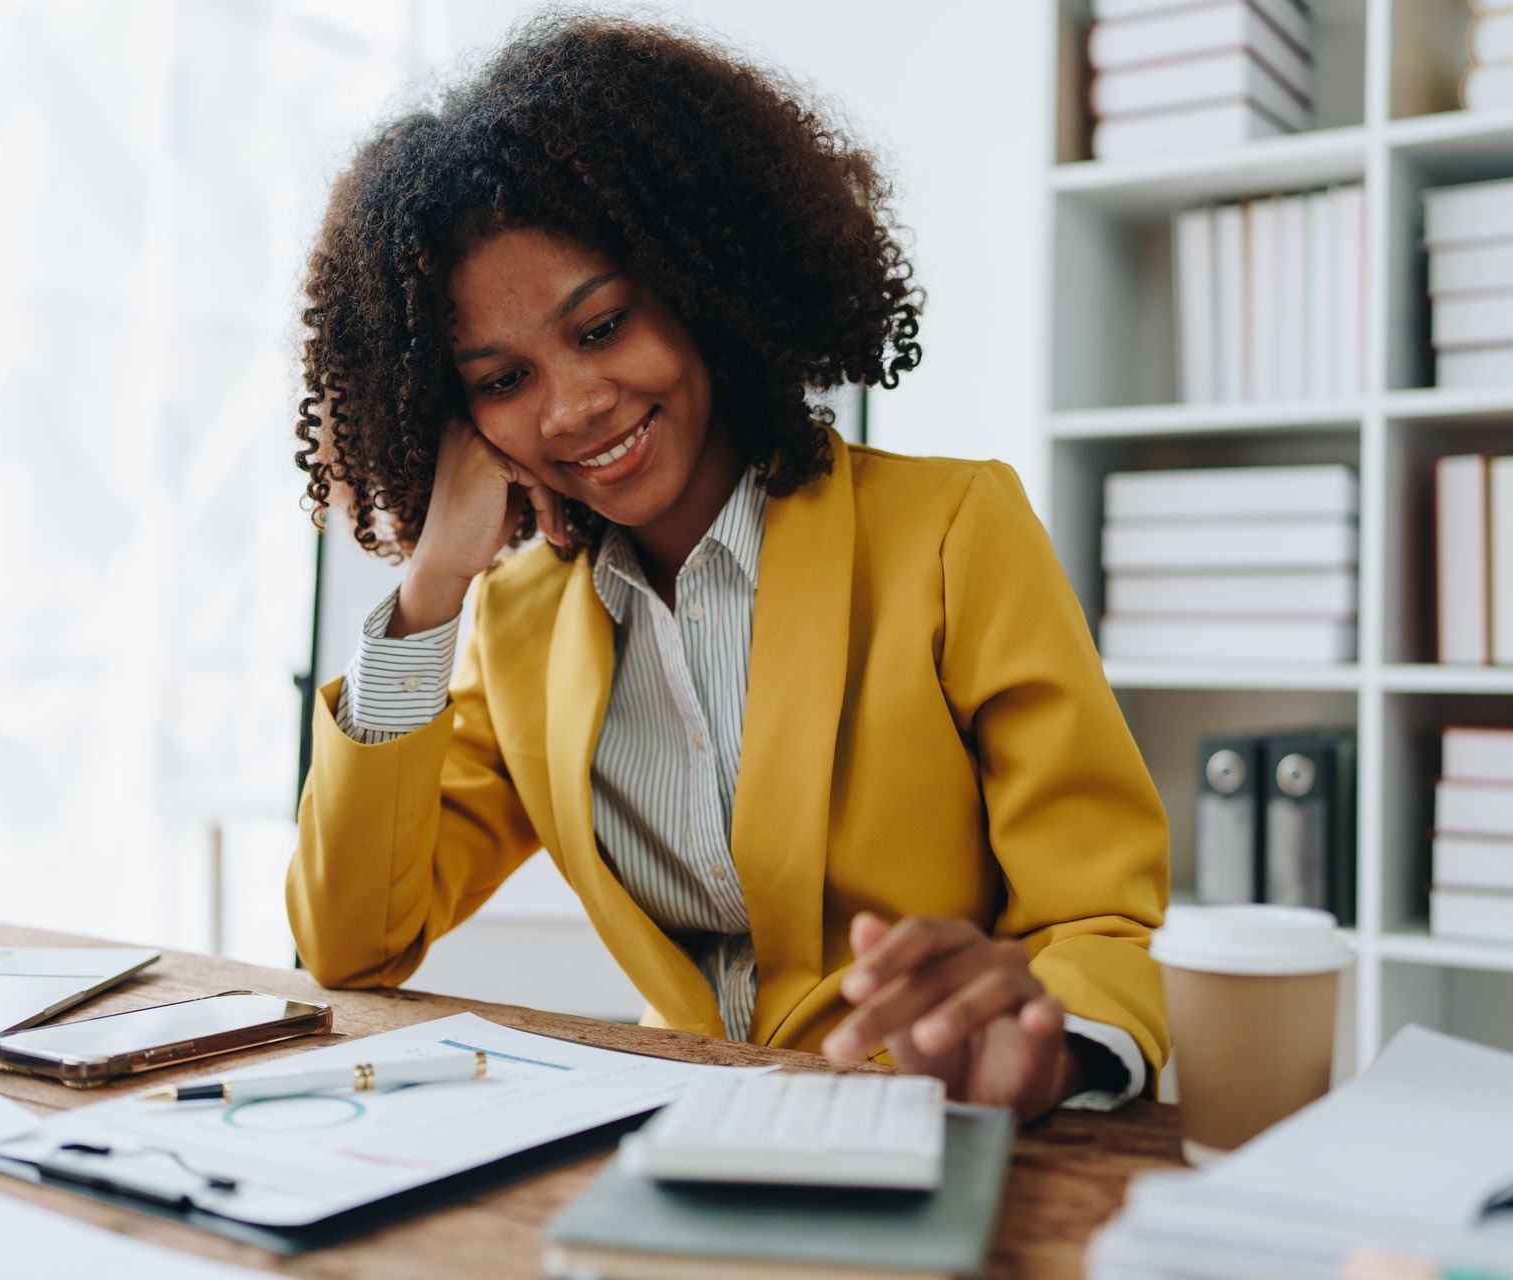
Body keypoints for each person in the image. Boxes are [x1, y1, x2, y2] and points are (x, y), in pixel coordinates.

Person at [287, 11, 1168, 1122]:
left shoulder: (952, 532)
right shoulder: (516, 628)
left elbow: (1096, 921)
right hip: (686, 1137)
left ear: (703, 282)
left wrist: (1045, 1049)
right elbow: (352, 938)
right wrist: (429, 593)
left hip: (946, 1128)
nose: (572, 407)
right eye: (503, 380)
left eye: (602, 327)